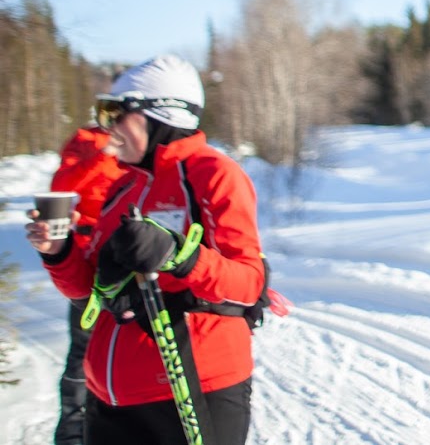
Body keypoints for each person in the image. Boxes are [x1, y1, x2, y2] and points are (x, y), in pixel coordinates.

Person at [26, 54, 264, 445]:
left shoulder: (213, 174)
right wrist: (58, 250)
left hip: (188, 389)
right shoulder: (123, 187)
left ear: (161, 114)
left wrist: (179, 256)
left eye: (115, 113)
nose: (107, 128)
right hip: (110, 395)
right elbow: (88, 289)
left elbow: (248, 282)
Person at [46, 123, 124, 445]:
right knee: (84, 346)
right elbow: (61, 185)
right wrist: (104, 155)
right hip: (89, 258)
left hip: (134, 253)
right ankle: (72, 433)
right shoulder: (86, 140)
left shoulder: (148, 136)